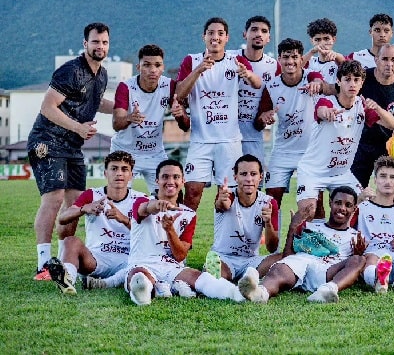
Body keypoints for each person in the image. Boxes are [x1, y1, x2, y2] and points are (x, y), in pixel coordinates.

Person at [29, 22, 115, 280]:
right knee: (54, 199)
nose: (100, 46)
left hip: (72, 147)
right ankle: (43, 263)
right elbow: (48, 107)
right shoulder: (71, 71)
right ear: (85, 44)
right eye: (95, 42)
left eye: (104, 42)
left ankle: (62, 262)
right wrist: (78, 127)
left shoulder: (102, 75)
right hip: (47, 141)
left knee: (77, 205)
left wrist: (126, 109)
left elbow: (96, 101)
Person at [125, 160, 245, 305]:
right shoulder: (141, 201)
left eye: (176, 177)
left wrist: (170, 230)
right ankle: (146, 292)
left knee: (201, 278)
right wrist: (158, 205)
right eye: (165, 177)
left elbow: (180, 255)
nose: (170, 181)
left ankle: (238, 293)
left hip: (170, 266)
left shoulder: (189, 214)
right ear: (157, 181)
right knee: (139, 277)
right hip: (143, 264)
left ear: (183, 181)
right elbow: (145, 208)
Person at [293, 60, 394, 223]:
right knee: (309, 212)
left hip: (342, 173)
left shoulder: (362, 106)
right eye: (347, 79)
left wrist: (376, 107)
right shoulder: (327, 101)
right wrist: (327, 113)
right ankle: (291, 245)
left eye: (356, 79)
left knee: (365, 205)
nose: (352, 84)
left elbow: (393, 124)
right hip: (313, 172)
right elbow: (321, 110)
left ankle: (345, 242)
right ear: (338, 81)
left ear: (362, 82)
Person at [175, 17, 262, 212]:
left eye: (220, 34)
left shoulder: (235, 60)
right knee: (192, 192)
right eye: (211, 33)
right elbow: (179, 93)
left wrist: (247, 75)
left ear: (227, 38)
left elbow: (257, 84)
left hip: (228, 142)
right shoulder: (192, 60)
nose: (215, 37)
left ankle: (224, 241)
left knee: (227, 195)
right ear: (204, 37)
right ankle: (184, 241)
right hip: (201, 140)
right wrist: (199, 70)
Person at [237, 186, 367, 303]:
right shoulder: (310, 226)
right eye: (338, 203)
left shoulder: (356, 236)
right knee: (280, 268)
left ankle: (327, 291)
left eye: (348, 205)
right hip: (302, 261)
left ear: (354, 209)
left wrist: (357, 254)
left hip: (327, 270)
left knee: (359, 260)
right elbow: (287, 255)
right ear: (330, 203)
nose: (342, 208)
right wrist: (293, 227)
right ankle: (261, 293)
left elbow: (353, 269)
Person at [44, 151, 146, 294]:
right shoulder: (92, 194)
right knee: (70, 241)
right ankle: (68, 281)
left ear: (131, 175)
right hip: (96, 260)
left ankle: (105, 284)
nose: (119, 173)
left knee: (144, 264)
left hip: (127, 260)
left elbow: (147, 233)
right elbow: (63, 218)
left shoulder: (141, 199)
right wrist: (84, 208)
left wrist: (123, 219)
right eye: (114, 168)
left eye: (124, 169)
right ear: (105, 173)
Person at [255, 38, 328, 207]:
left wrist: (317, 83)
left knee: (315, 203)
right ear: (279, 60)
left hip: (311, 152)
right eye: (286, 57)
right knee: (271, 199)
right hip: (283, 151)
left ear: (301, 59)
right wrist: (263, 118)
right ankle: (271, 234)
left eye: (295, 57)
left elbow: (318, 79)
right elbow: (258, 123)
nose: (290, 61)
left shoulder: (311, 77)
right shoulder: (272, 86)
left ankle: (313, 233)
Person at [111, 44, 190, 194]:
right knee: (118, 197)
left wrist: (180, 115)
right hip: (125, 151)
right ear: (138, 67)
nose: (152, 70)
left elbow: (185, 126)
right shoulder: (125, 87)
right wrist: (130, 118)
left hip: (154, 153)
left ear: (162, 67)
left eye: (157, 65)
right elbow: (116, 124)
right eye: (146, 65)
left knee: (169, 196)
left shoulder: (169, 86)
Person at [203, 154, 282, 283]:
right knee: (213, 274)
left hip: (250, 261)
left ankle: (250, 277)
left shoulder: (269, 202)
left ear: (260, 177)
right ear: (235, 177)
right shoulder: (226, 195)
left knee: (284, 258)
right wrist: (221, 201)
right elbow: (223, 204)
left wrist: (267, 223)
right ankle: (244, 279)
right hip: (224, 258)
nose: (249, 179)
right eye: (243, 174)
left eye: (253, 174)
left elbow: (272, 248)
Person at [351, 44, 394, 193]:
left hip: (390, 144)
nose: (389, 64)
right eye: (385, 59)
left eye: (393, 59)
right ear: (376, 60)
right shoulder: (363, 78)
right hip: (361, 144)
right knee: (352, 193)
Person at [354, 156, 394, 293]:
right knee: (372, 256)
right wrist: (357, 202)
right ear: (375, 180)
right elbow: (342, 229)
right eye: (383, 176)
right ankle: (378, 280)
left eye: (393, 177)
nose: (388, 181)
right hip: (370, 258)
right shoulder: (361, 208)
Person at [230, 16, 280, 165]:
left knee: (254, 183)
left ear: (268, 38)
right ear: (244, 34)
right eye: (254, 29)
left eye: (264, 31)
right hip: (226, 136)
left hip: (253, 135)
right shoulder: (230, 58)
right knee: (225, 184)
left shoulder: (274, 66)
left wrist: (266, 115)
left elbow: (274, 99)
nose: (259, 34)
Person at [304, 18, 345, 85]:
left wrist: (336, 55)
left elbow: (347, 65)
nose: (322, 43)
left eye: (326, 39)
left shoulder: (338, 61)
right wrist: (311, 52)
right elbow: (296, 67)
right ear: (312, 41)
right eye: (317, 39)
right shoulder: (309, 62)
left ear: (334, 39)